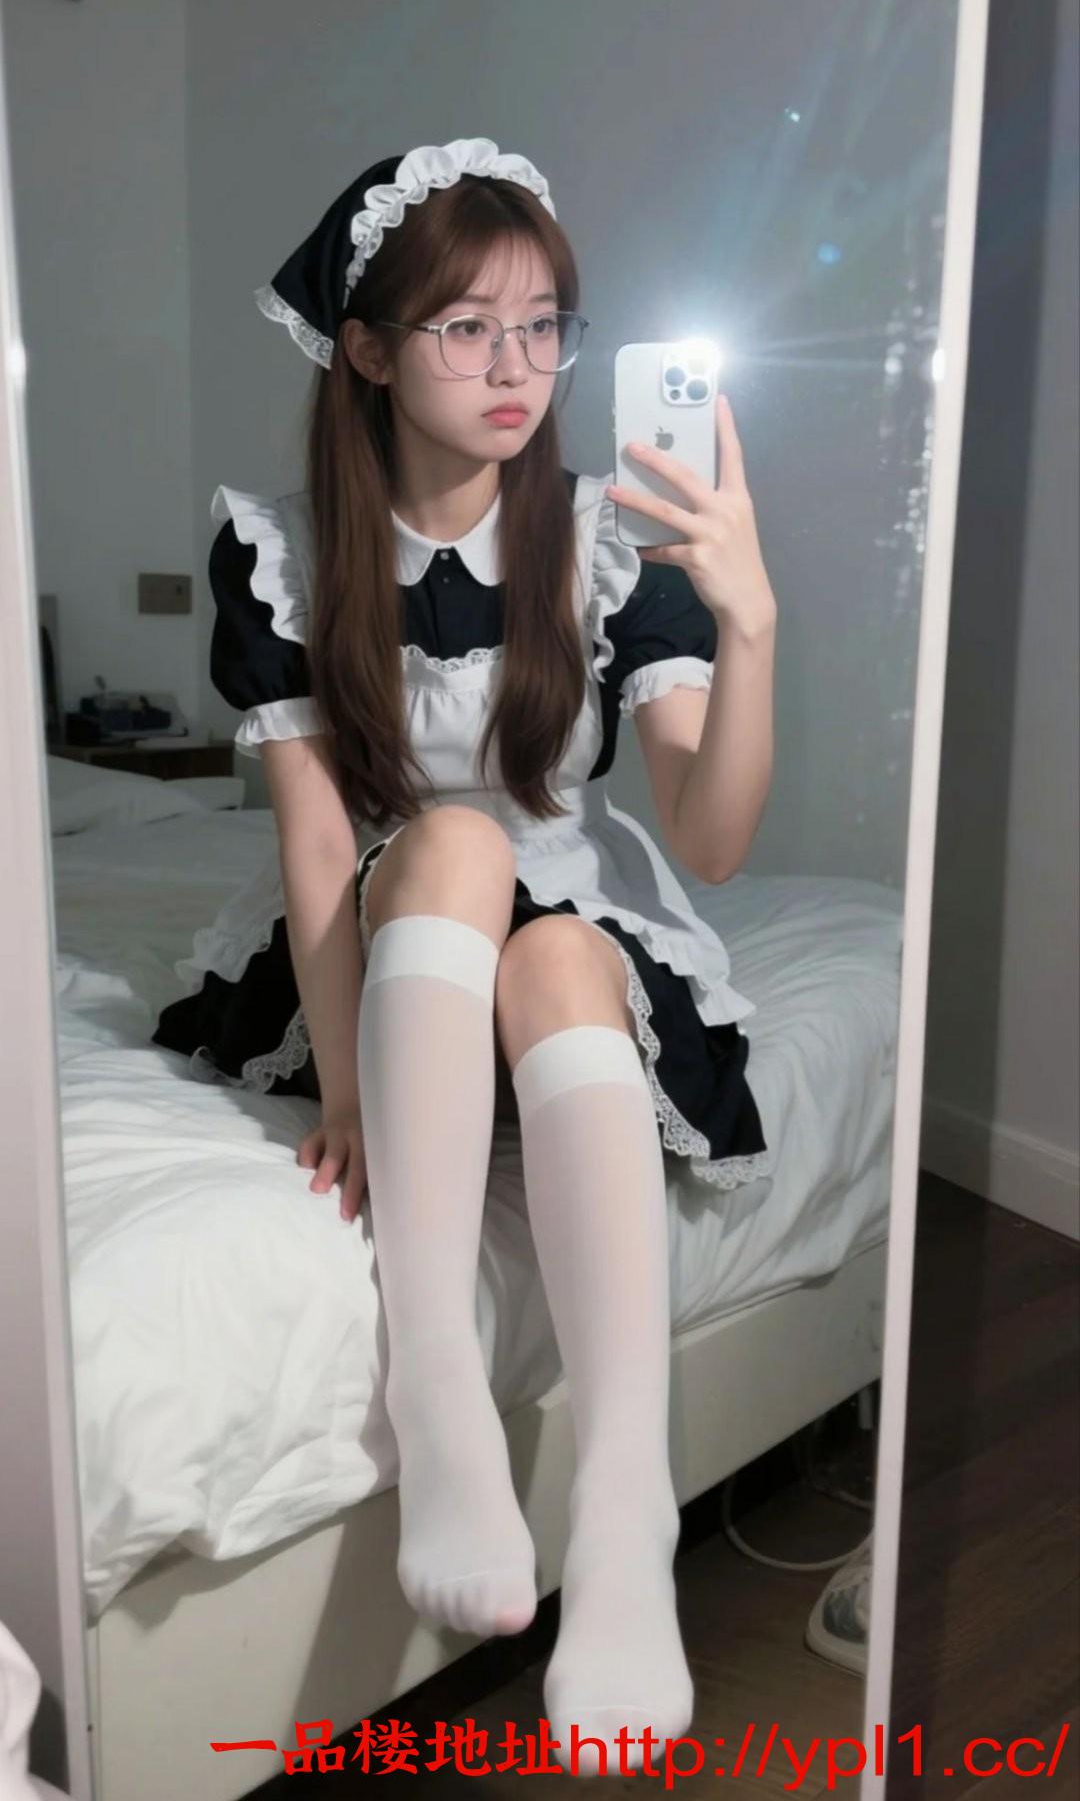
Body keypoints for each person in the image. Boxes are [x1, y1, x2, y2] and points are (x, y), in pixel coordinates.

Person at [153, 136, 778, 1775]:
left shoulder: (606, 538)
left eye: (544, 325)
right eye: (467, 328)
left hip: (558, 937)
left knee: (556, 954)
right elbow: (315, 842)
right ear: (367, 350)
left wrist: (751, 620)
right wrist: (349, 1083)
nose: (519, 367)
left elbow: (711, 843)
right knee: (453, 842)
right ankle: (438, 1395)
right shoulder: (284, 548)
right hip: (395, 944)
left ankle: (627, 1508)